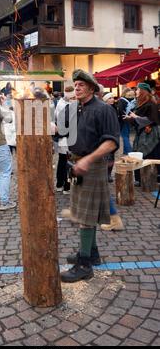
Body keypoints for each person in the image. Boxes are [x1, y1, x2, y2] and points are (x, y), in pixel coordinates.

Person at [60, 69, 120, 283]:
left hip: (92, 166)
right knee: (85, 212)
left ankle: (84, 264)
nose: (76, 88)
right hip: (77, 164)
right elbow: (60, 129)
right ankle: (92, 253)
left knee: (86, 215)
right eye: (75, 84)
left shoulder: (104, 109)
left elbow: (112, 142)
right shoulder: (74, 108)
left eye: (81, 85)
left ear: (92, 88)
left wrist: (87, 159)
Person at [126, 83, 160, 183]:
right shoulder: (140, 104)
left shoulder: (150, 104)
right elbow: (137, 120)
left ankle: (149, 178)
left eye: (137, 90)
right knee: (139, 154)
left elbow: (152, 120)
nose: (135, 92)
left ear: (143, 92)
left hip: (150, 134)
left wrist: (136, 117)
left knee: (148, 154)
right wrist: (131, 118)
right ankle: (140, 178)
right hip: (141, 133)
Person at [55, 86, 75, 194]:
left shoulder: (61, 103)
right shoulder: (64, 105)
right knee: (66, 161)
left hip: (64, 137)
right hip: (67, 137)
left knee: (63, 161)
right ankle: (65, 186)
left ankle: (61, 184)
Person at [117, 88, 136, 154]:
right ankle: (125, 151)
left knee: (124, 136)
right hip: (130, 119)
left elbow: (120, 111)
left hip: (122, 119)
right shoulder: (134, 100)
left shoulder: (121, 100)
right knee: (126, 135)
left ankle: (128, 151)